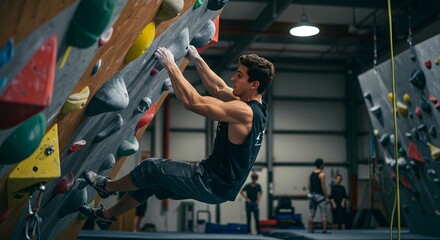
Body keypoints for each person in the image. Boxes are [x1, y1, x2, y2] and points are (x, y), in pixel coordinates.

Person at [78, 45, 275, 230]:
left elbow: (192, 102)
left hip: (209, 182)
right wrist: (197, 58)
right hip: (219, 185)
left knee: (150, 168)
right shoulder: (258, 109)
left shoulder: (244, 111)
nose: (233, 78)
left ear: (254, 84)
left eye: (239, 75)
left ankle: (106, 186)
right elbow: (218, 89)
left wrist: (171, 65)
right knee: (152, 183)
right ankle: (106, 216)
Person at [307, 158, 329, 234]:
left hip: (312, 195)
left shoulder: (311, 174)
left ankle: (310, 230)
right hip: (320, 196)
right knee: (324, 214)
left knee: (311, 214)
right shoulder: (322, 174)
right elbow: (323, 185)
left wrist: (311, 193)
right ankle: (324, 230)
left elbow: (309, 185)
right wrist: (326, 196)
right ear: (321, 165)